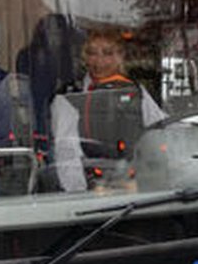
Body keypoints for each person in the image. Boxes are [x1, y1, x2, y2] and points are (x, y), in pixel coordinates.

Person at [50, 28, 164, 192]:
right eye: (92, 53)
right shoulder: (70, 96)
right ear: (84, 57)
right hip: (93, 186)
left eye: (108, 53)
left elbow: (160, 127)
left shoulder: (134, 90)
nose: (99, 61)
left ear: (120, 56)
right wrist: (78, 194)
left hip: (133, 183)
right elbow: (67, 151)